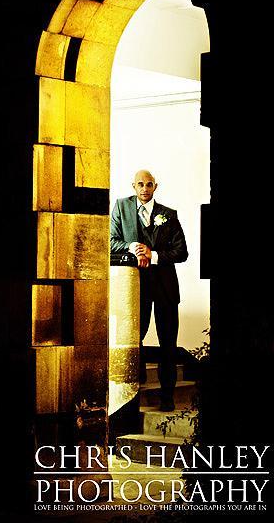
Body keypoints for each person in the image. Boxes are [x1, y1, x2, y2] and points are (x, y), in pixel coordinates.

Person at [110, 170, 188, 411]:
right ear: (133, 186)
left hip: (165, 287)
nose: (145, 188)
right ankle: (134, 387)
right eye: (140, 184)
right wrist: (132, 246)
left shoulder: (168, 214)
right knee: (135, 336)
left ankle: (167, 396)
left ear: (156, 186)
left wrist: (153, 255)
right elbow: (111, 240)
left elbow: (181, 252)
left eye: (149, 184)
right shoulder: (121, 207)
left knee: (167, 342)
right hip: (134, 287)